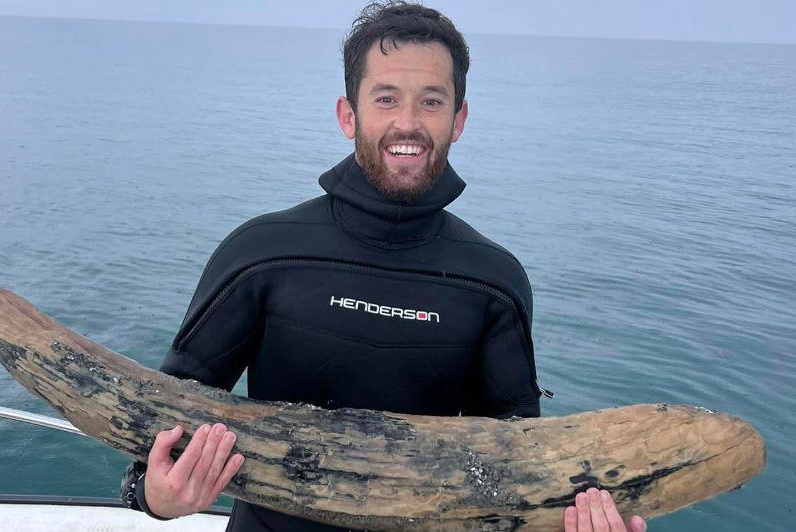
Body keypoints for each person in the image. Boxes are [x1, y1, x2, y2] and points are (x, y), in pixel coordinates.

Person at [120, 2, 647, 531]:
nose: (409, 123)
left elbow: (518, 472)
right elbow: (159, 431)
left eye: (432, 101)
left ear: (458, 119)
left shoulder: (493, 281)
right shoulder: (261, 253)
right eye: (386, 98)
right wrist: (158, 496)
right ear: (349, 114)